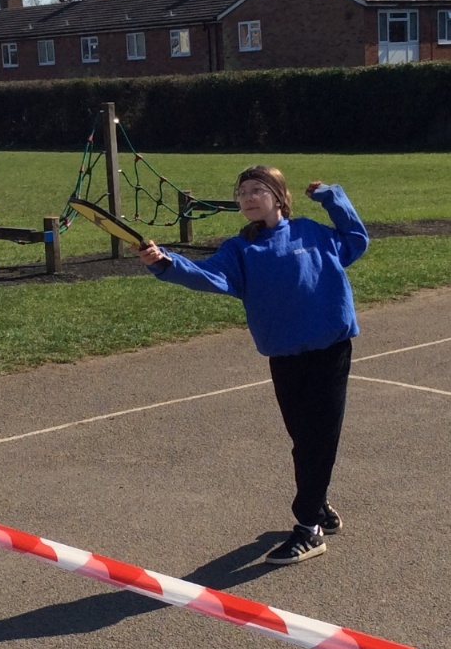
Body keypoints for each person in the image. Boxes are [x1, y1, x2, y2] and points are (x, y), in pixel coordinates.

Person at [138, 165, 369, 564]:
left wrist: (332, 197)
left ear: (279, 197)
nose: (247, 197)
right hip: (284, 357)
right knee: (303, 439)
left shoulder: (311, 232)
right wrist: (165, 262)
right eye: (242, 191)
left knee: (318, 439)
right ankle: (318, 504)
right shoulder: (241, 250)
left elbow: (355, 240)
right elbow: (206, 274)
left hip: (330, 353)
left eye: (257, 189)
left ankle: (309, 527)